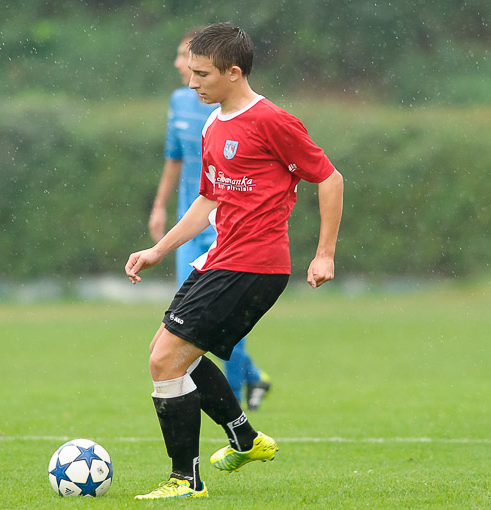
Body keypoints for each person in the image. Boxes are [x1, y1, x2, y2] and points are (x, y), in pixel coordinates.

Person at [126, 22, 344, 499]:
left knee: (166, 360)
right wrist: (158, 250)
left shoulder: (273, 121)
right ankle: (244, 439)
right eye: (191, 72)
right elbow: (208, 200)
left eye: (202, 74)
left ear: (233, 72)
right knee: (166, 354)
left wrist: (324, 253)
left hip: (254, 265)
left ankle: (185, 481)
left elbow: (329, 178)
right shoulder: (212, 124)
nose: (192, 83)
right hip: (221, 258)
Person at [149, 27, 272, 410]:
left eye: (188, 60)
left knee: (218, 312)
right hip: (193, 220)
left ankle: (233, 400)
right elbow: (174, 158)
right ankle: (250, 377)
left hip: (230, 226)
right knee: (189, 319)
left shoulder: (233, 108)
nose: (180, 65)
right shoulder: (180, 102)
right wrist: (159, 206)